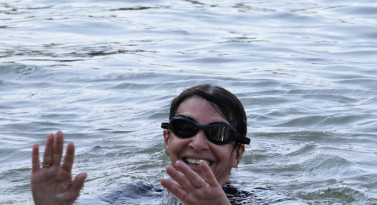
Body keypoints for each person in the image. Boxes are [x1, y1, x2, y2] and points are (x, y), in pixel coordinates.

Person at [31, 84, 250, 205]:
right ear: (167, 140)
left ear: (237, 154)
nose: (198, 143)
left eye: (218, 133)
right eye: (185, 128)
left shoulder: (263, 201)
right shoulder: (132, 196)